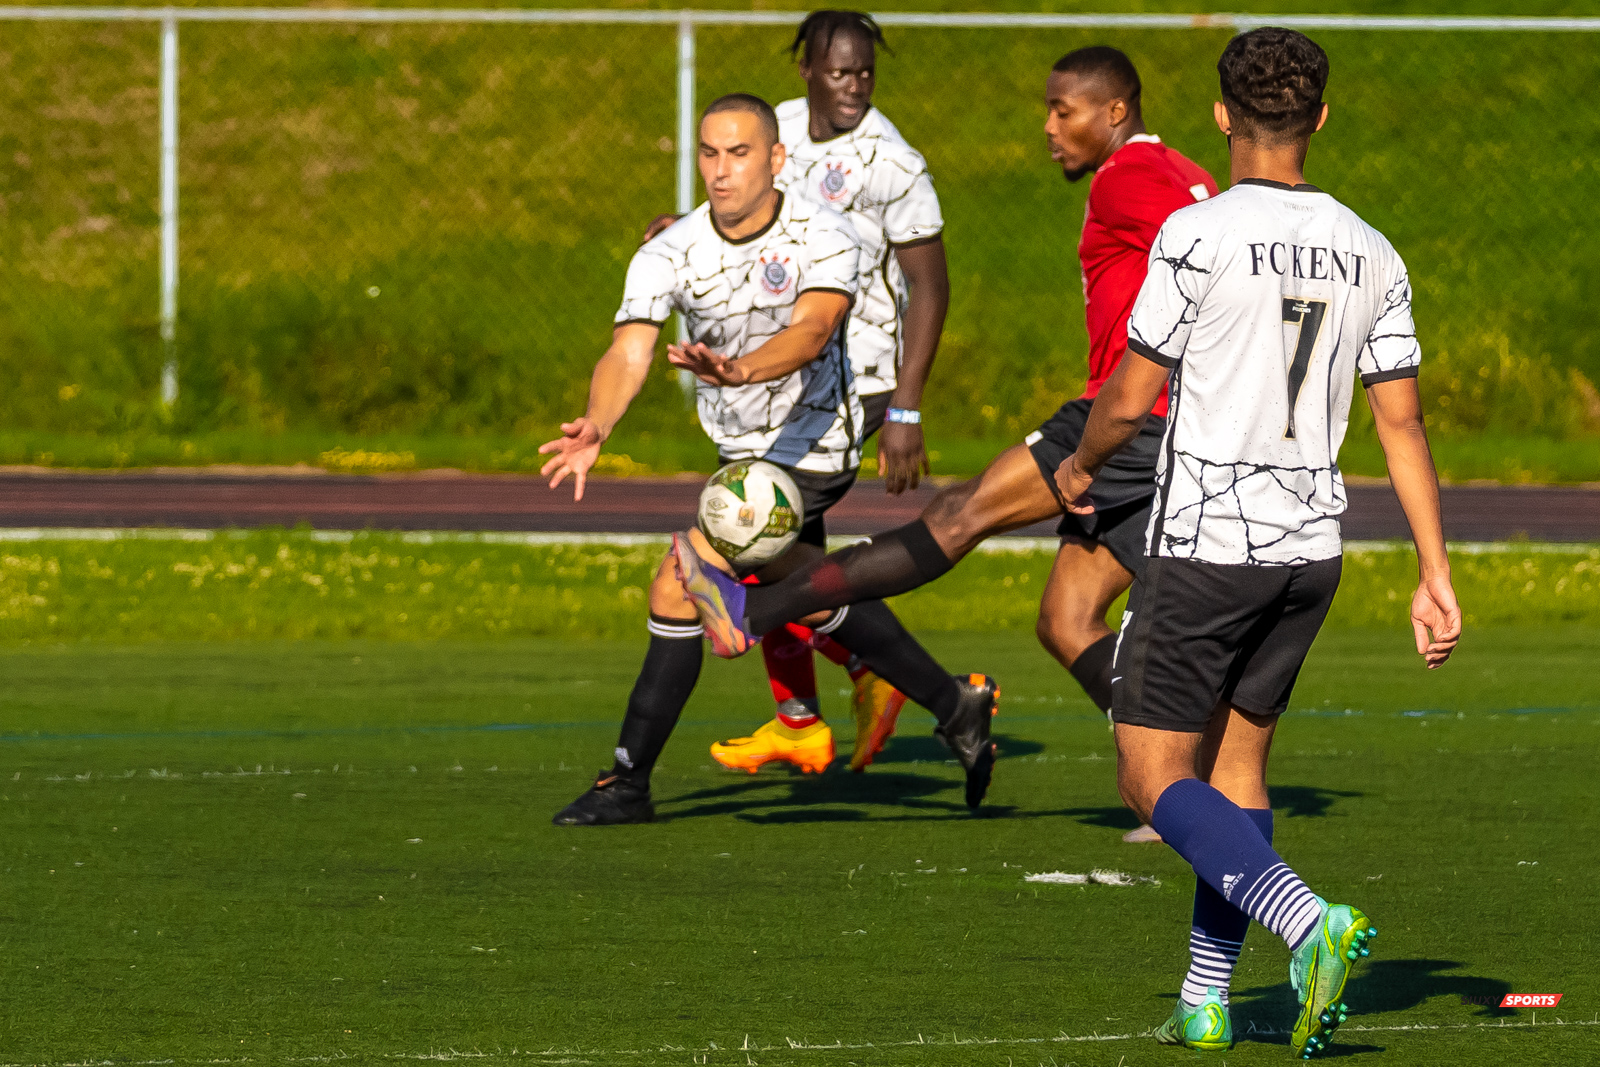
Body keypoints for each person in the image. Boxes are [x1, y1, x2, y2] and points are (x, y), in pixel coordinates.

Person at [673, 46, 1214, 842]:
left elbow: (1216, 261)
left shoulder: (1129, 176)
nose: (1049, 127)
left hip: (1132, 416)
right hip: (1170, 424)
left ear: (1115, 111)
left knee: (960, 515)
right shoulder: (1177, 170)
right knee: (1066, 619)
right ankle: (1185, 792)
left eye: (1063, 111)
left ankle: (751, 610)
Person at [1049, 28, 1461, 1056]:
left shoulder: (1197, 232)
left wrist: (1081, 464)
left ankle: (1305, 920)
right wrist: (1433, 570)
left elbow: (1130, 395)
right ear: (1319, 117)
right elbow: (1401, 423)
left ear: (1222, 116)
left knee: (1149, 773)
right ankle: (1205, 999)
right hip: (1309, 553)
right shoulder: (1373, 248)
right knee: (1238, 770)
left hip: (1205, 545)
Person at [541, 93, 997, 826]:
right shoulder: (669, 251)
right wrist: (598, 422)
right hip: (741, 451)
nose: (721, 170)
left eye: (740, 152)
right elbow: (629, 351)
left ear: (777, 159)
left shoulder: (825, 232)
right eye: (709, 154)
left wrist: (741, 370)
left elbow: (813, 329)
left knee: (679, 585)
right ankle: (954, 704)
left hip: (815, 441)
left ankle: (626, 783)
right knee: (810, 586)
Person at [648, 10, 952, 777]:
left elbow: (930, 286)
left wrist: (906, 405)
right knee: (779, 554)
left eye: (866, 72)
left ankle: (849, 694)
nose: (855, 86)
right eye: (840, 71)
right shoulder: (773, 130)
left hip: (854, 378)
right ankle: (824, 705)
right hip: (771, 379)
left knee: (756, 539)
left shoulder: (893, 162)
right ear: (807, 70)